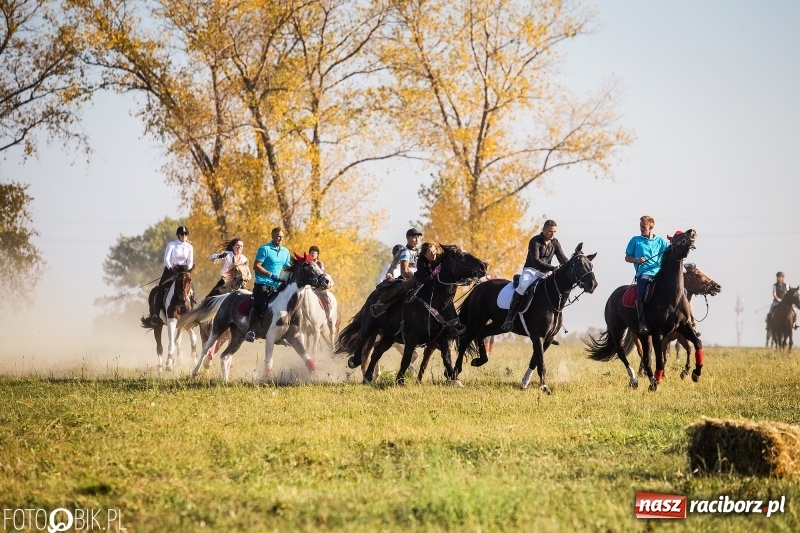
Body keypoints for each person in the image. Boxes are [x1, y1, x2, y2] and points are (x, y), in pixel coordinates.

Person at [501, 220, 568, 332]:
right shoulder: (535, 241)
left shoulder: (555, 243)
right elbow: (536, 261)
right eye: (550, 231)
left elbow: (562, 258)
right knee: (522, 286)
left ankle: (551, 327)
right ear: (544, 230)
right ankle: (509, 318)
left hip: (544, 273)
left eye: (555, 232)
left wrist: (570, 266)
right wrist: (552, 268)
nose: (552, 234)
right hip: (531, 271)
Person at [244, 227, 292, 342]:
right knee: (258, 304)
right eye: (278, 236)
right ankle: (251, 330)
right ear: (273, 236)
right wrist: (270, 275)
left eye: (282, 237)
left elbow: (286, 267)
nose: (280, 239)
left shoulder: (285, 251)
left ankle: (281, 332)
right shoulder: (265, 249)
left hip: (277, 285)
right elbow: (256, 266)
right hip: (263, 283)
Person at [370, 241, 443, 317]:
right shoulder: (419, 261)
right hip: (418, 278)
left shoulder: (436, 258)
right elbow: (419, 277)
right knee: (401, 286)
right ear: (425, 254)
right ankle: (381, 302)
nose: (433, 254)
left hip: (416, 276)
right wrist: (432, 274)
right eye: (430, 252)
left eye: (434, 251)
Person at [625, 215, 670, 334]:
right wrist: (637, 260)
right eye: (640, 226)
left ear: (651, 227)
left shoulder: (660, 241)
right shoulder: (635, 240)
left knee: (681, 290)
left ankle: (688, 321)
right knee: (641, 293)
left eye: (643, 226)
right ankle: (642, 322)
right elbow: (627, 257)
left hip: (659, 274)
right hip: (644, 273)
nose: (641, 228)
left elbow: (670, 253)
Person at [150, 225, 194, 325]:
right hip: (171, 271)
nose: (184, 236)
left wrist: (186, 269)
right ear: (178, 235)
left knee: (191, 290)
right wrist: (170, 268)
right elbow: (166, 259)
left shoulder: (189, 247)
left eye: (185, 234)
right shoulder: (171, 245)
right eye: (182, 234)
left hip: (183, 271)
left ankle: (191, 314)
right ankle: (156, 315)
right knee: (161, 288)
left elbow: (190, 262)